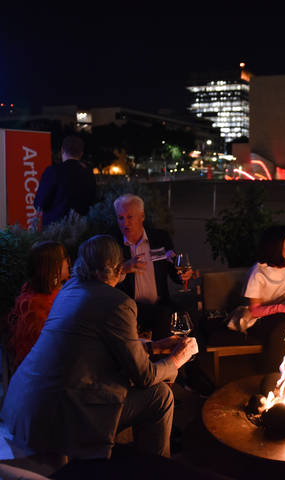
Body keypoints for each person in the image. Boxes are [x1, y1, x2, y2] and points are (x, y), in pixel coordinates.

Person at [1, 235, 198, 461]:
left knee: (152, 391)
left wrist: (153, 347)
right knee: (160, 396)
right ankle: (152, 472)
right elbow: (144, 376)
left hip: (24, 407)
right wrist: (177, 360)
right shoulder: (119, 304)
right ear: (115, 268)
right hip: (65, 414)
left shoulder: (69, 289)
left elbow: (92, 346)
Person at [113, 194, 193, 340]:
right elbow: (104, 279)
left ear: (142, 216)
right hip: (130, 309)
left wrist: (184, 275)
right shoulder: (113, 244)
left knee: (188, 321)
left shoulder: (159, 238)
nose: (125, 223)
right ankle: (159, 361)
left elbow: (175, 273)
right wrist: (124, 268)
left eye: (130, 217)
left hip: (160, 303)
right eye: (120, 218)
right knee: (163, 323)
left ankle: (188, 360)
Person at [234, 225, 285, 373]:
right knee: (281, 325)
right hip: (259, 320)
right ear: (277, 246)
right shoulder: (258, 272)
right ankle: (271, 375)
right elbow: (254, 310)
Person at [7, 241, 70, 370]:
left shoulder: (31, 293)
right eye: (64, 258)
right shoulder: (42, 307)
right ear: (51, 267)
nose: (68, 262)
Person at [34, 135, 96, 227]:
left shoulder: (53, 171)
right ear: (81, 153)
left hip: (55, 229)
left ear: (62, 150)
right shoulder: (89, 173)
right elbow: (93, 202)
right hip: (82, 230)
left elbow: (40, 203)